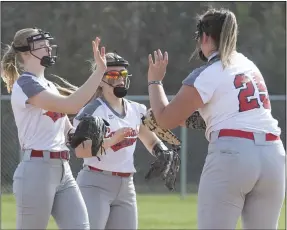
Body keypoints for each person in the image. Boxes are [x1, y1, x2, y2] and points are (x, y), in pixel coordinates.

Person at [146, 8, 285, 230]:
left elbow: (164, 119)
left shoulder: (208, 72)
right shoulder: (249, 66)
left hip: (234, 154)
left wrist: (155, 82)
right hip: (273, 156)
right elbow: (226, 113)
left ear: (205, 37)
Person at [1, 27, 107, 229]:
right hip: (37, 170)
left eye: (48, 44)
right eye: (41, 45)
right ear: (25, 52)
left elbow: (67, 131)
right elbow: (71, 105)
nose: (48, 48)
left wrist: (80, 135)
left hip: (62, 170)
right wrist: (99, 72)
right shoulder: (26, 83)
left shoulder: (48, 85)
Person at [73, 52, 175, 230]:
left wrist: (162, 151)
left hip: (126, 186)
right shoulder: (92, 111)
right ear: (100, 79)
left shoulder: (136, 109)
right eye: (113, 75)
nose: (120, 79)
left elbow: (149, 139)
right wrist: (112, 140)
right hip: (95, 182)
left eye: (123, 74)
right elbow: (80, 151)